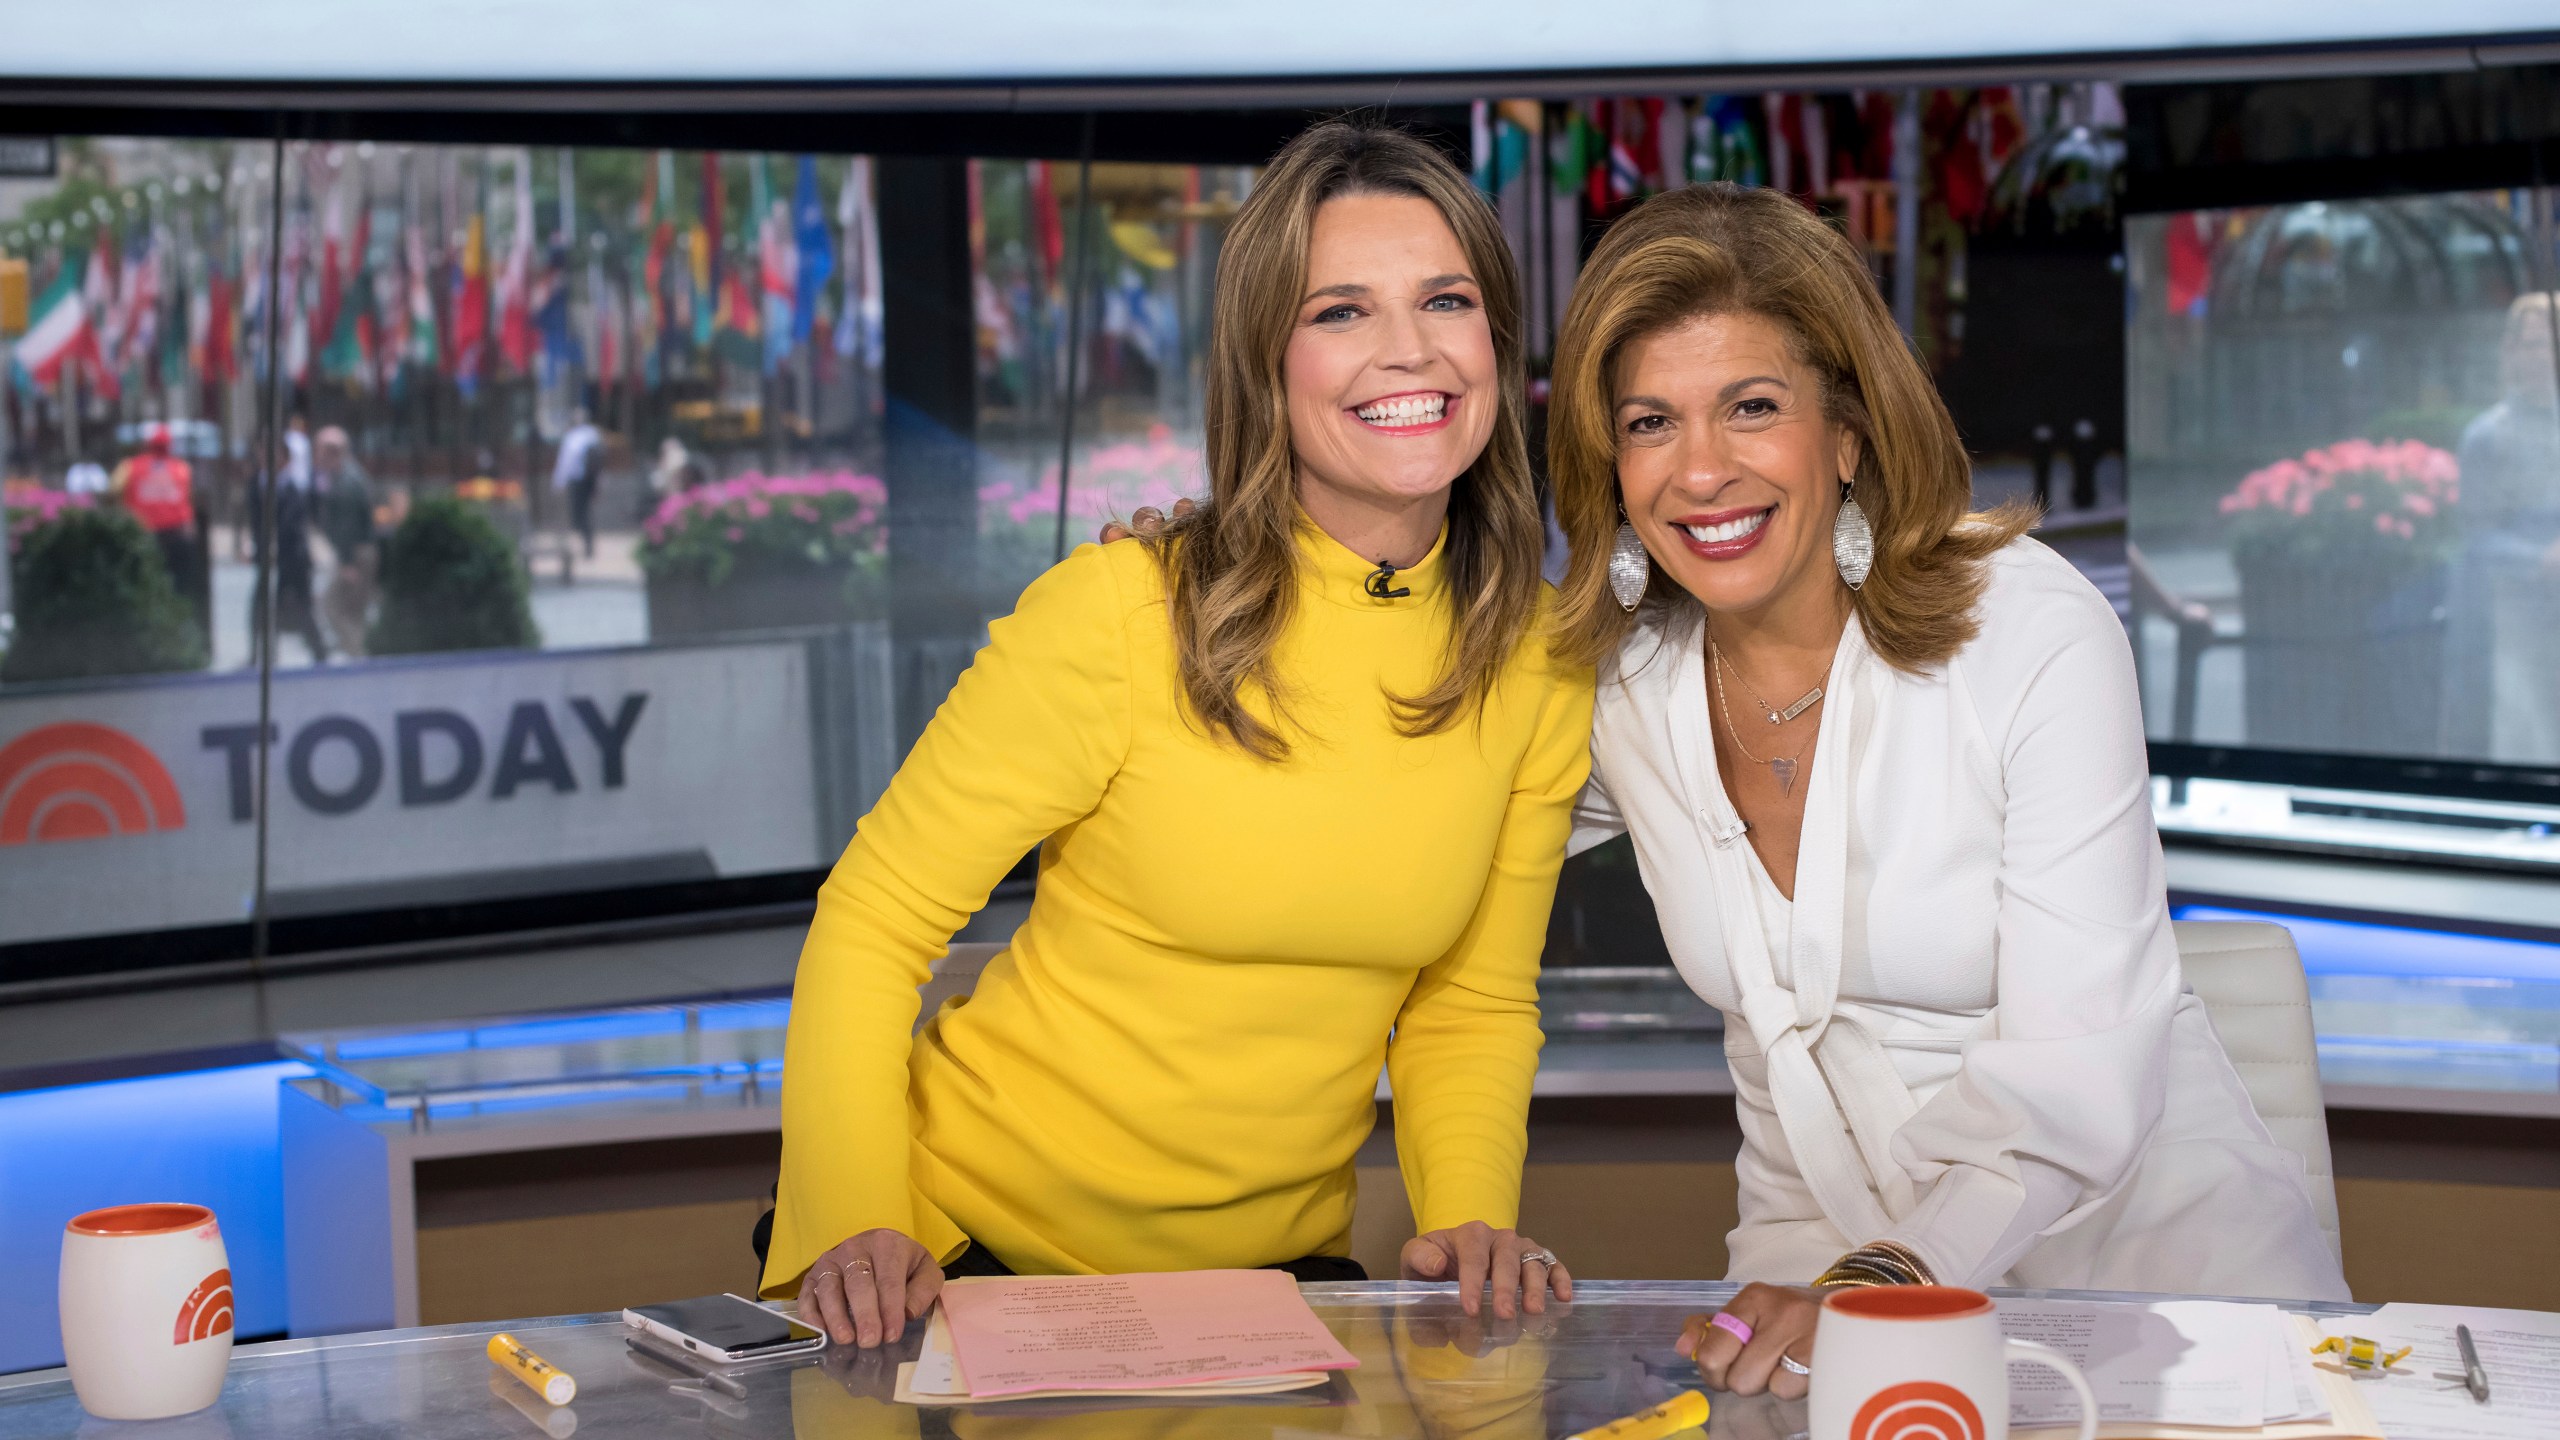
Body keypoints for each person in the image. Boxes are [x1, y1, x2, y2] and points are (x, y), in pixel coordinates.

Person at [762, 120, 1591, 1348]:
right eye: (1340, 312)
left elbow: (1467, 1002)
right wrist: (853, 1218)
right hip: (961, 1253)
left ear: (1496, 340)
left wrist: (1469, 1217)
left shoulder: (1535, 656)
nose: (1408, 349)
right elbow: (874, 917)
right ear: (1264, 361)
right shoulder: (1120, 611)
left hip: (1272, 1286)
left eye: (1445, 300)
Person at [1536, 185, 2347, 1396]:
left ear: (1849, 434)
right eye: (1651, 422)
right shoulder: (1621, 688)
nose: (1700, 471)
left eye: (1751, 409)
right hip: (1838, 1296)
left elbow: (2083, 1072)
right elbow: (1408, 836)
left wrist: (1877, 1284)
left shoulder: (2027, 628)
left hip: (2164, 1315)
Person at [2442, 291, 2560, 762]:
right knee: (2529, 731)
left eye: (2547, 343)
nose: (2538, 356)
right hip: (2517, 611)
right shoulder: (2489, 435)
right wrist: (2538, 559)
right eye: (2528, 344)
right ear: (2510, 352)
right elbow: (2475, 533)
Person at [248, 458, 326, 664]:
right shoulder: (257, 484)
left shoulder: (292, 488)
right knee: (260, 607)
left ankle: (319, 652)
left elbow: (293, 526)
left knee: (300, 607)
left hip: (292, 559)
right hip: (267, 557)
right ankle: (260, 655)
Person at [111, 423, 197, 606]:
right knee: (179, 589)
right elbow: (188, 499)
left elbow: (113, 491)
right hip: (176, 538)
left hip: (141, 537)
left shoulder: (129, 467)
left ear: (147, 444)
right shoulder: (182, 469)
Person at [312, 426, 378, 660]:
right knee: (353, 611)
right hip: (359, 552)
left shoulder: (347, 482)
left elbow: (347, 526)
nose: (316, 456)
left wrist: (347, 562)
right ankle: (357, 656)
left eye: (319, 450)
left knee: (333, 607)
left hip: (356, 553)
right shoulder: (346, 476)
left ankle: (357, 656)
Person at [553, 408, 604, 559]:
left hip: (578, 480)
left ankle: (582, 545)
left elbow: (566, 462)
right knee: (585, 513)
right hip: (590, 480)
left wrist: (558, 482)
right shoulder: (593, 434)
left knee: (579, 514)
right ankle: (587, 544)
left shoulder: (573, 437)